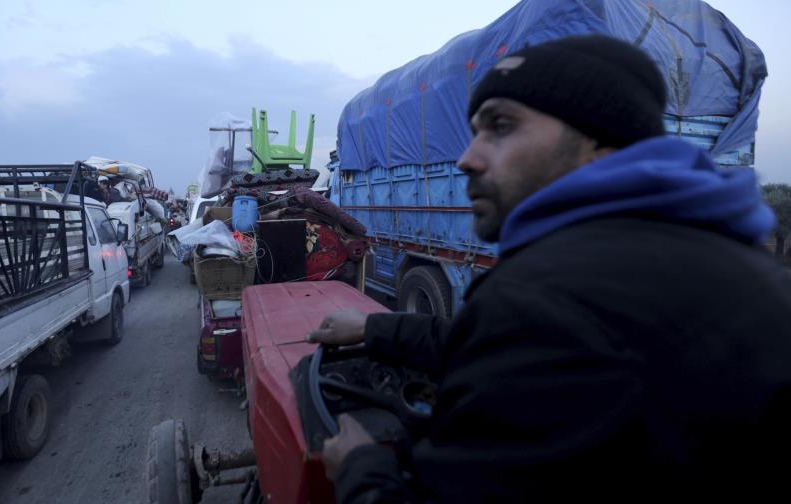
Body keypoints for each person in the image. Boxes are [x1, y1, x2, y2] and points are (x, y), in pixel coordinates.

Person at [307, 35, 791, 502]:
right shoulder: (723, 256)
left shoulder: (555, 294)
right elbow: (489, 344)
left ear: (598, 140)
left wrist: (360, 466)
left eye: (501, 126)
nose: (467, 158)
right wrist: (376, 327)